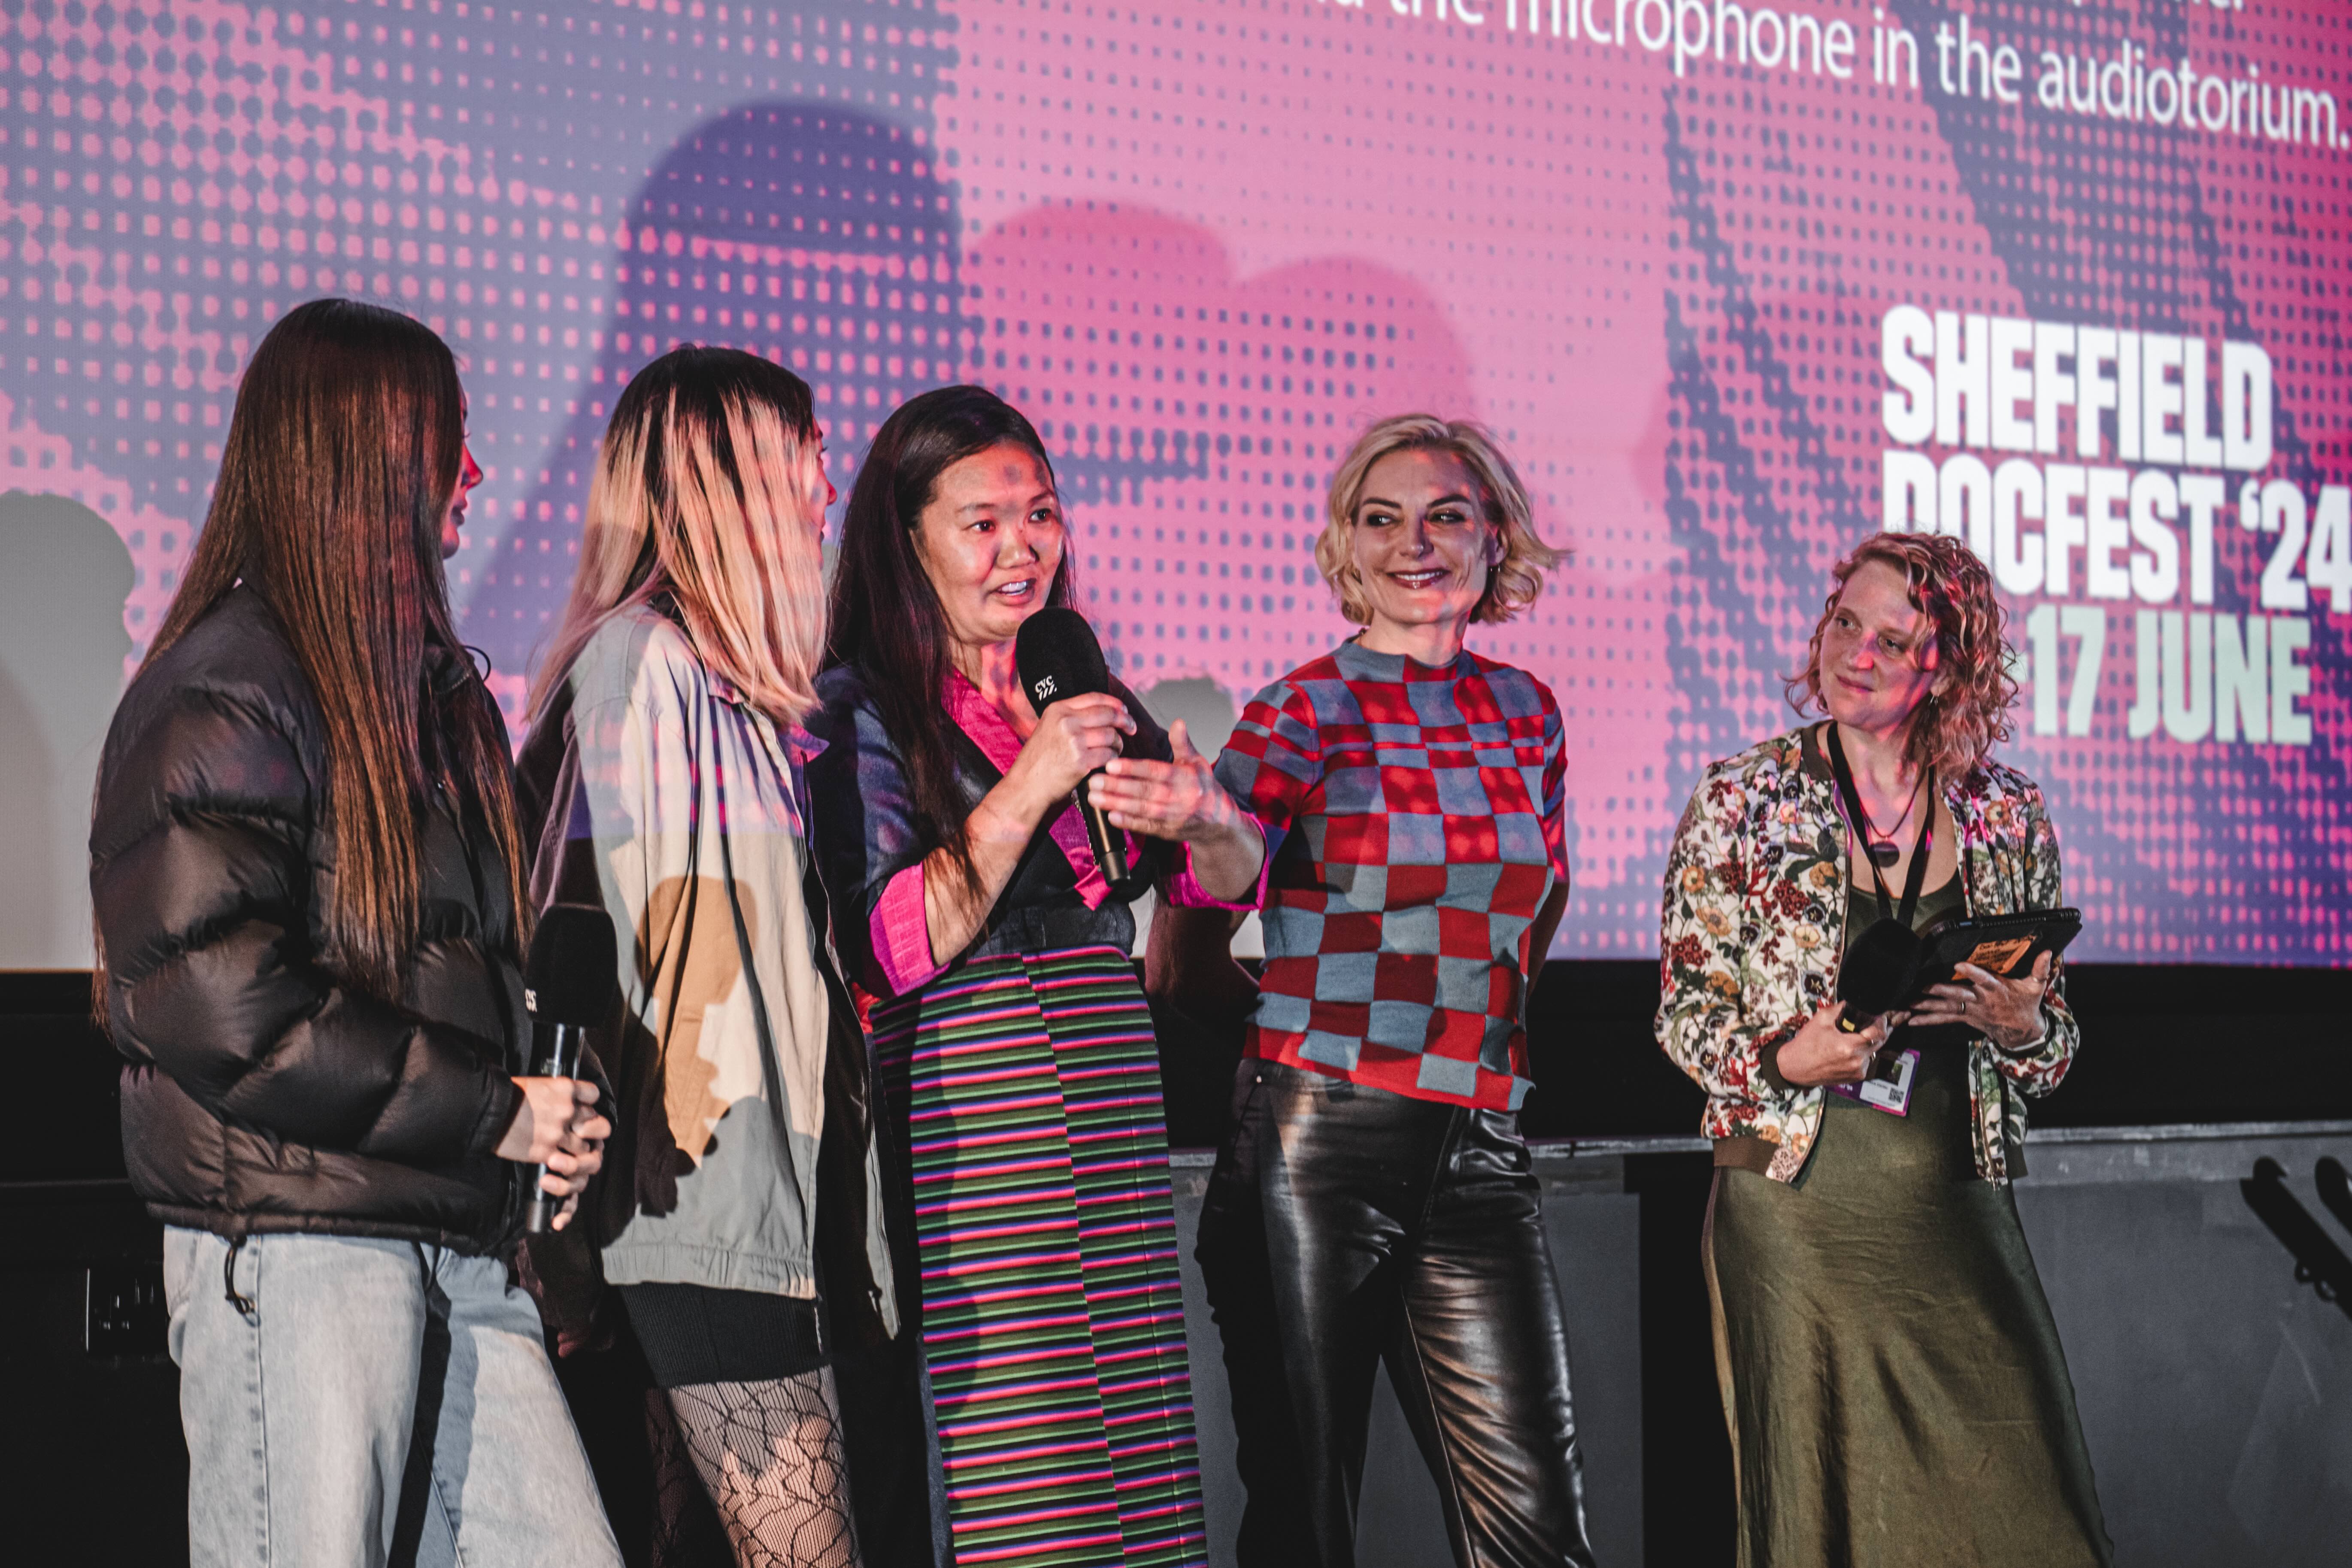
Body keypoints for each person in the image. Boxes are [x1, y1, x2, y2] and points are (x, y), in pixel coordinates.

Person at [87, 298, 618, 1567]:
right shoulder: (227, 687)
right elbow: (221, 998)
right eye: (449, 439)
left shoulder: (429, 698)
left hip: (450, 1237)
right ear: (363, 458)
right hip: (294, 1246)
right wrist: (494, 1108)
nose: (474, 472)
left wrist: (537, 1116)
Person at [803, 385, 1265, 1568]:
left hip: (1108, 1086)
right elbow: (887, 945)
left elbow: (1218, 886)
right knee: (1023, 1424)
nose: (1025, 549)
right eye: (984, 522)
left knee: (1134, 1417)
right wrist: (1031, 780)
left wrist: (1209, 817)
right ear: (906, 538)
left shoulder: (1077, 685)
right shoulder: (861, 708)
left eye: (1042, 514)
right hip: (977, 1108)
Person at [1132, 415, 1598, 1568]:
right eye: (1381, 519)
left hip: (1479, 1144)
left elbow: (1531, 910)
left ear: (1495, 534)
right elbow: (1221, 881)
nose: (1415, 542)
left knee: (1538, 1535)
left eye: (1445, 513)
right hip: (1315, 1143)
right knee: (1308, 1523)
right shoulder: (1305, 706)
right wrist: (1213, 824)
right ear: (1347, 547)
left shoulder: (1525, 710)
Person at [518, 346, 912, 1567]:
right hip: (696, 1202)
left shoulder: (733, 692)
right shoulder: (642, 662)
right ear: (715, 482)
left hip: (751, 1208)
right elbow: (585, 945)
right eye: (800, 461)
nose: (821, 490)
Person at [1655, 531, 2112, 1566]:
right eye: (1843, 623)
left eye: (1890, 639)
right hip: (1796, 1206)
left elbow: (2055, 1041)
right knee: (1823, 1519)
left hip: (1956, 1199)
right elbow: (1683, 1013)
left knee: (2036, 1516)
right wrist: (1782, 1062)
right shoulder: (1742, 799)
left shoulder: (2004, 811)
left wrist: (2022, 1027)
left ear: (1945, 668)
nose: (1853, 652)